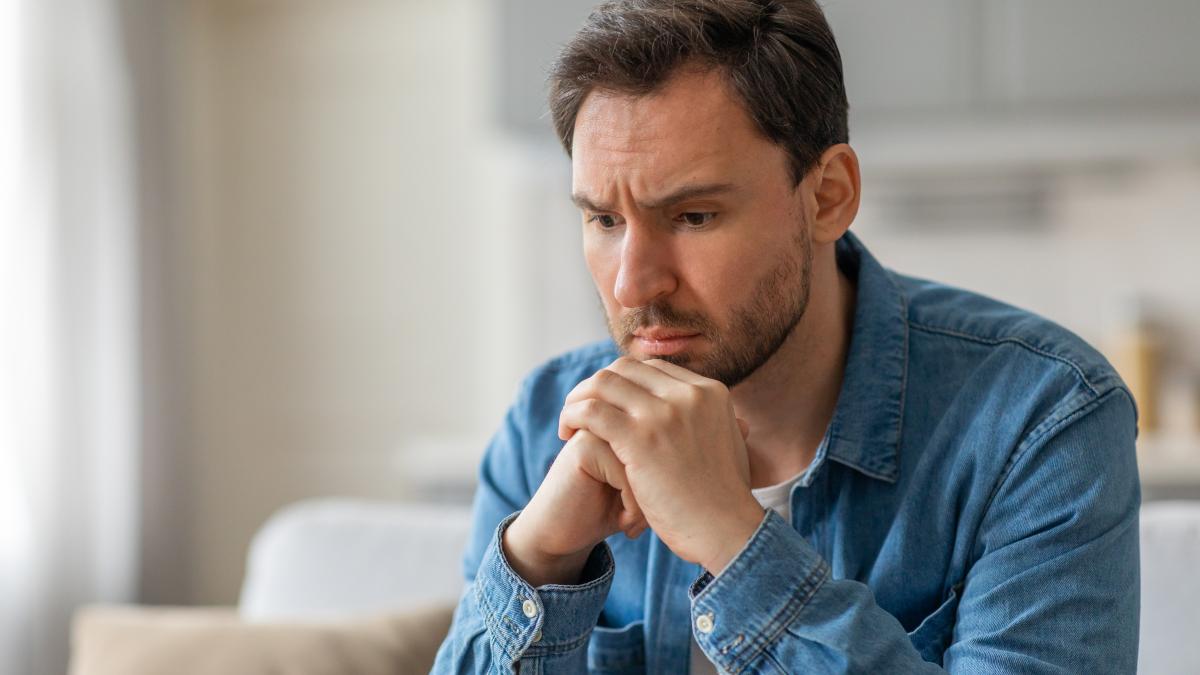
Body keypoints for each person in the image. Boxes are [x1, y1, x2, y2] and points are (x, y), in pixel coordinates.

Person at [432, 1, 1140, 672]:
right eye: (604, 221)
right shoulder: (545, 423)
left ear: (828, 194)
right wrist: (539, 557)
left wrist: (732, 537)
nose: (631, 287)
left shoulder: (1042, 418)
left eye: (693, 216)